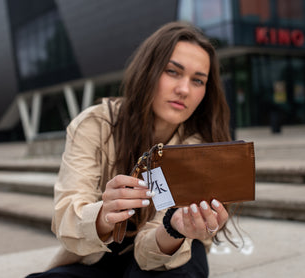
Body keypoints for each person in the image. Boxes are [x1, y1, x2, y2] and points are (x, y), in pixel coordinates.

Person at [26, 21, 233, 278]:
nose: (184, 90)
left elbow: (151, 254)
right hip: (100, 252)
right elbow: (67, 217)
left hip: (170, 249)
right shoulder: (94, 125)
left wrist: (175, 228)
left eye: (198, 80)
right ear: (148, 70)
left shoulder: (199, 147)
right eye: (172, 71)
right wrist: (104, 213)